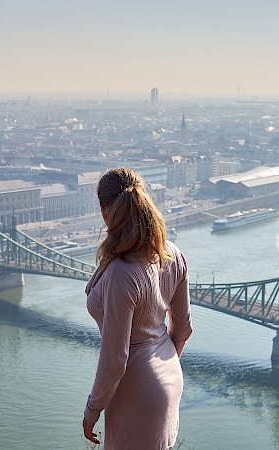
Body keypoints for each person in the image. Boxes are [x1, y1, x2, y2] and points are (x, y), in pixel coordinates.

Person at [82, 168, 193, 449]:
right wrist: (162, 364)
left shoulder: (122, 272)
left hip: (136, 390)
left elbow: (116, 358)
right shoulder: (172, 253)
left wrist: (92, 410)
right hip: (170, 376)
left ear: (104, 210)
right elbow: (183, 329)